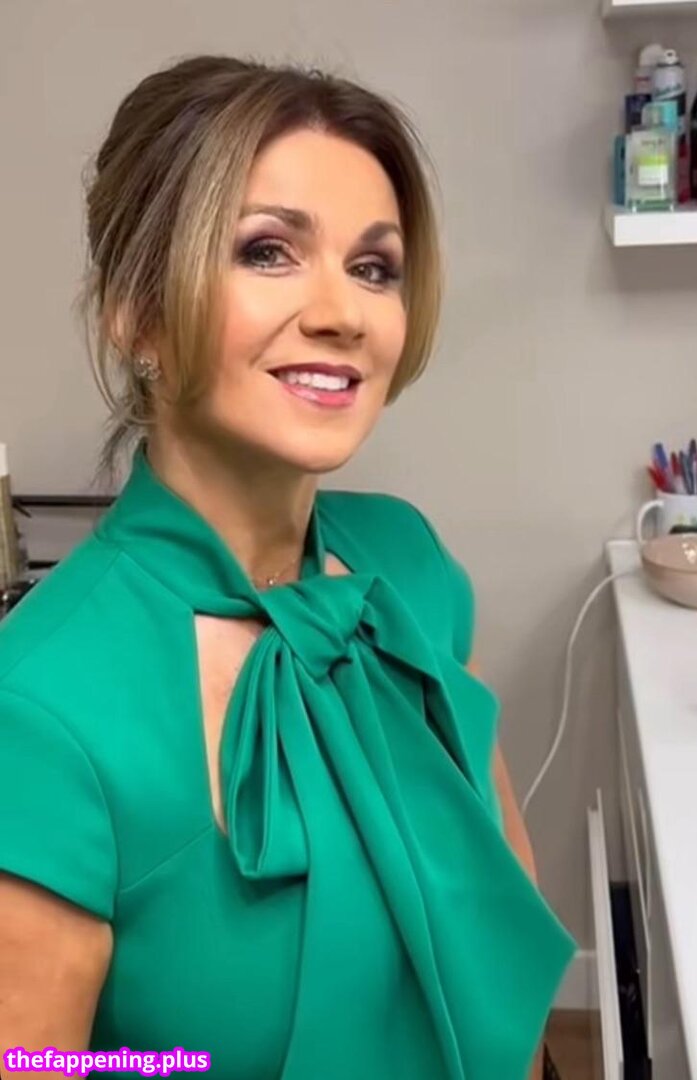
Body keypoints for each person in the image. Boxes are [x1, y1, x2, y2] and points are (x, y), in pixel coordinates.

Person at [0, 55, 575, 1080]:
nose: (343, 313)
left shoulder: (410, 564)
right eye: (268, 251)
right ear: (135, 311)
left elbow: (505, 892)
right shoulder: (38, 712)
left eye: (374, 267)